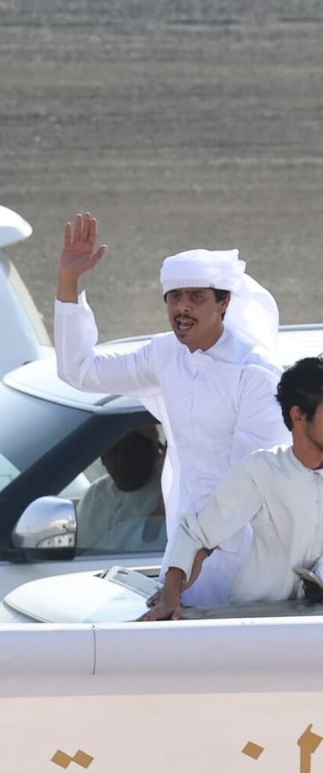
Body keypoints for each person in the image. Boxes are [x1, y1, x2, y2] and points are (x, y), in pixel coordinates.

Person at [54, 213, 287, 607]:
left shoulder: (256, 373)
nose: (183, 308)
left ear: (224, 302)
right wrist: (67, 283)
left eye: (196, 297)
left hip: (248, 559)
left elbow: (248, 487)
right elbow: (80, 370)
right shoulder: (165, 354)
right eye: (175, 297)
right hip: (186, 554)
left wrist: (180, 575)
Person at [147, 356, 323, 618]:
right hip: (255, 625)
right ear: (298, 415)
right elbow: (196, 535)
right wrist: (170, 597)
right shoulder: (262, 470)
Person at [76, 424, 166, 554]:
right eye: (114, 450)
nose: (121, 460)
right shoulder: (96, 493)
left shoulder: (165, 496)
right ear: (102, 458)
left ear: (154, 453)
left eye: (132, 449)